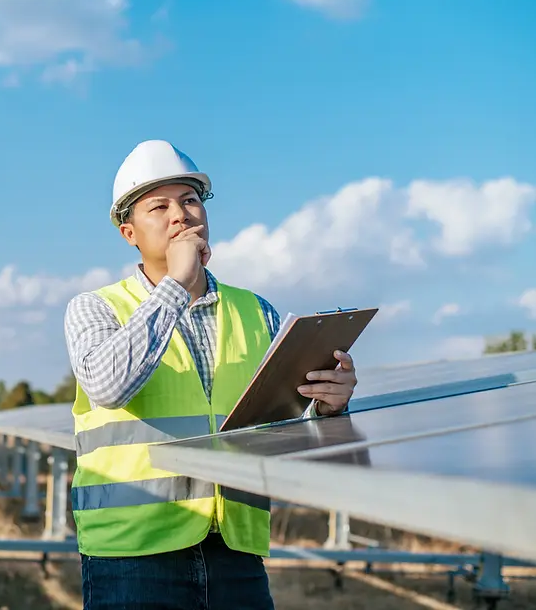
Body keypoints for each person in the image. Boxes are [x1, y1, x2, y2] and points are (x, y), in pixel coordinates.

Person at [63, 139, 358, 610]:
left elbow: (284, 425)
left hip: (234, 550)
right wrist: (177, 284)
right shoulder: (96, 309)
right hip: (133, 555)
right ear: (128, 233)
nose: (180, 215)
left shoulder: (257, 311)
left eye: (190, 200)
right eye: (158, 206)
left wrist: (328, 404)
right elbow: (108, 386)